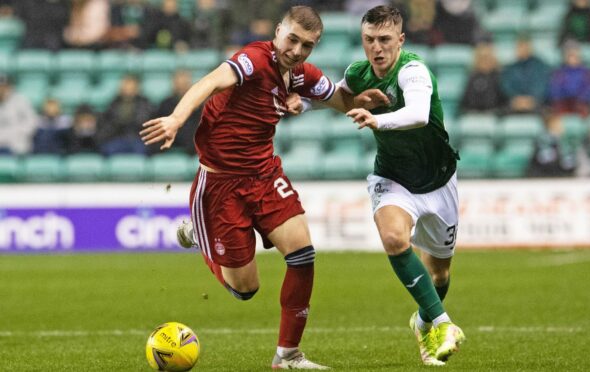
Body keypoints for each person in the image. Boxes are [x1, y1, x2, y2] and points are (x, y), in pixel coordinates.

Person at [139, 6, 385, 369]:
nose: (297, 50)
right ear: (278, 32)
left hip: (265, 176)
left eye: (307, 46)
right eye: (292, 40)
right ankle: (198, 233)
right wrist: (177, 117)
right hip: (220, 185)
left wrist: (359, 101)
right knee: (245, 290)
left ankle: (288, 355)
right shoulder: (253, 59)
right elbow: (211, 81)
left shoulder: (299, 74)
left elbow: (336, 98)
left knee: (303, 254)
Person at [289, 5, 462, 367]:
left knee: (440, 274)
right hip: (393, 177)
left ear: (401, 40)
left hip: (439, 180)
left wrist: (377, 121)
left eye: (384, 39)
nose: (376, 47)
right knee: (395, 239)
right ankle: (444, 324)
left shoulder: (413, 70)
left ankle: (424, 320)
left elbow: (417, 114)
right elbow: (337, 96)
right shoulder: (359, 72)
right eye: (369, 40)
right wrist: (300, 104)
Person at [500, 33, 550, 115]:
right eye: (519, 46)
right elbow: (506, 86)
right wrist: (516, 99)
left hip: (536, 104)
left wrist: (530, 100)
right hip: (515, 104)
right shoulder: (510, 68)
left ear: (530, 47)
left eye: (525, 46)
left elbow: (542, 86)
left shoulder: (541, 67)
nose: (522, 49)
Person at [549, 40, 590, 118]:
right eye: (570, 55)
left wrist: (579, 98)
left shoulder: (587, 73)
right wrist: (567, 96)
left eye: (575, 55)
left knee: (585, 110)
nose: (573, 58)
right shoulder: (559, 73)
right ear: (565, 56)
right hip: (564, 104)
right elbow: (555, 91)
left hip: (581, 104)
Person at [458, 41, 506, 115]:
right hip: (473, 117)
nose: (485, 61)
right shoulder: (472, 78)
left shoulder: (499, 78)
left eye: (488, 58)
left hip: (493, 116)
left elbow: (505, 103)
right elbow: (464, 104)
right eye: (482, 58)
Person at [0, 74, 38, 155]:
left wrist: (16, 133)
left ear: (9, 87)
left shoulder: (20, 100)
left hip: (15, 145)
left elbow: (32, 123)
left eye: (4, 86)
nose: (1, 89)